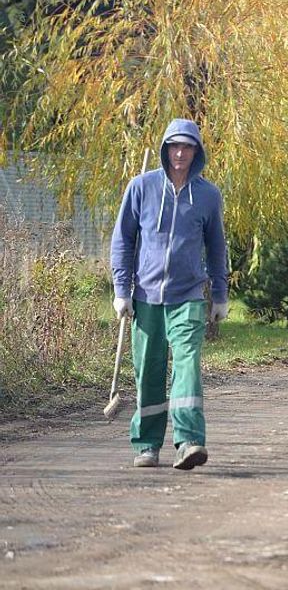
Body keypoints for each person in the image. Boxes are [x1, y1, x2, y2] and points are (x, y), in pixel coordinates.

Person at [110, 118, 229, 470]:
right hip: (145, 297)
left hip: (188, 296)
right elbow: (123, 240)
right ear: (165, 150)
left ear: (197, 151)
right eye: (174, 146)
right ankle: (147, 445)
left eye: (187, 147)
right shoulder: (141, 187)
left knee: (188, 366)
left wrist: (220, 294)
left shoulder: (208, 195)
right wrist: (121, 290)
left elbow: (217, 247)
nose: (180, 153)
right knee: (149, 371)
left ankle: (190, 441)